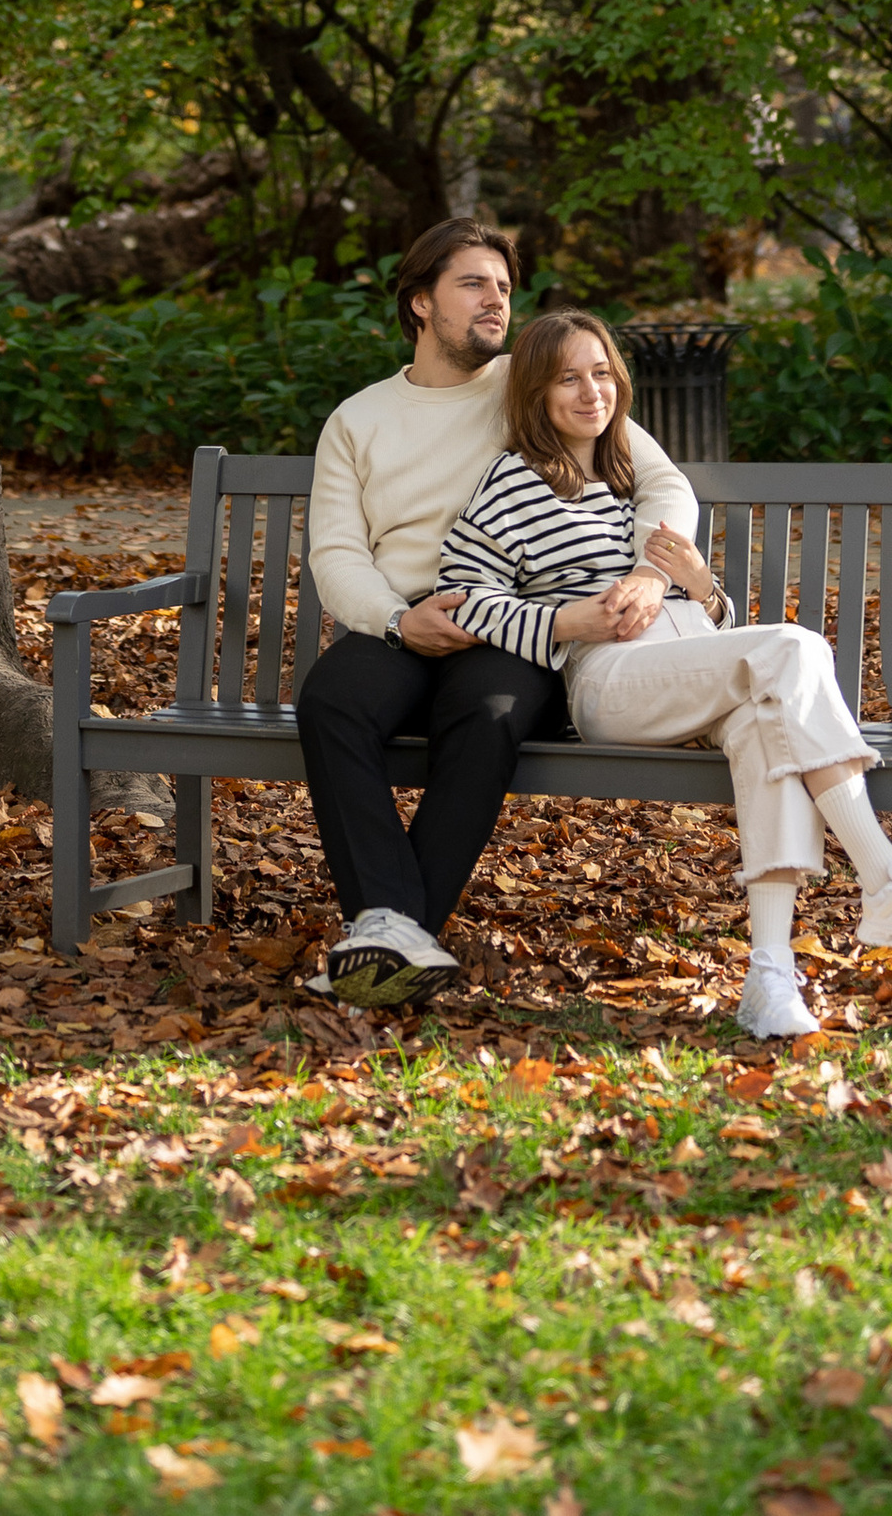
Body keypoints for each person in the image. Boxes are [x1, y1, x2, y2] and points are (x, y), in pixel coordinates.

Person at [434, 307, 892, 1037]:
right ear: (534, 391)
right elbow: (461, 596)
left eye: (602, 373)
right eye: (567, 378)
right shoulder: (512, 481)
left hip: (690, 667)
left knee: (769, 724)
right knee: (794, 647)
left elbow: (714, 624)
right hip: (610, 681)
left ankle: (769, 976)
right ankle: (885, 876)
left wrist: (702, 585)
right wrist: (565, 621)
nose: (590, 391)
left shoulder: (626, 472)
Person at [297, 216, 697, 1010]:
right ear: (420, 302)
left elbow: (662, 483)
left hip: (517, 622)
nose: (496, 301)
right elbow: (337, 552)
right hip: (405, 621)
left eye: (504, 287)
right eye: (474, 284)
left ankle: (388, 934)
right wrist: (395, 620)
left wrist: (654, 571)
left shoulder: (535, 379)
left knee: (484, 710)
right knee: (331, 698)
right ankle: (395, 928)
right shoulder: (357, 418)